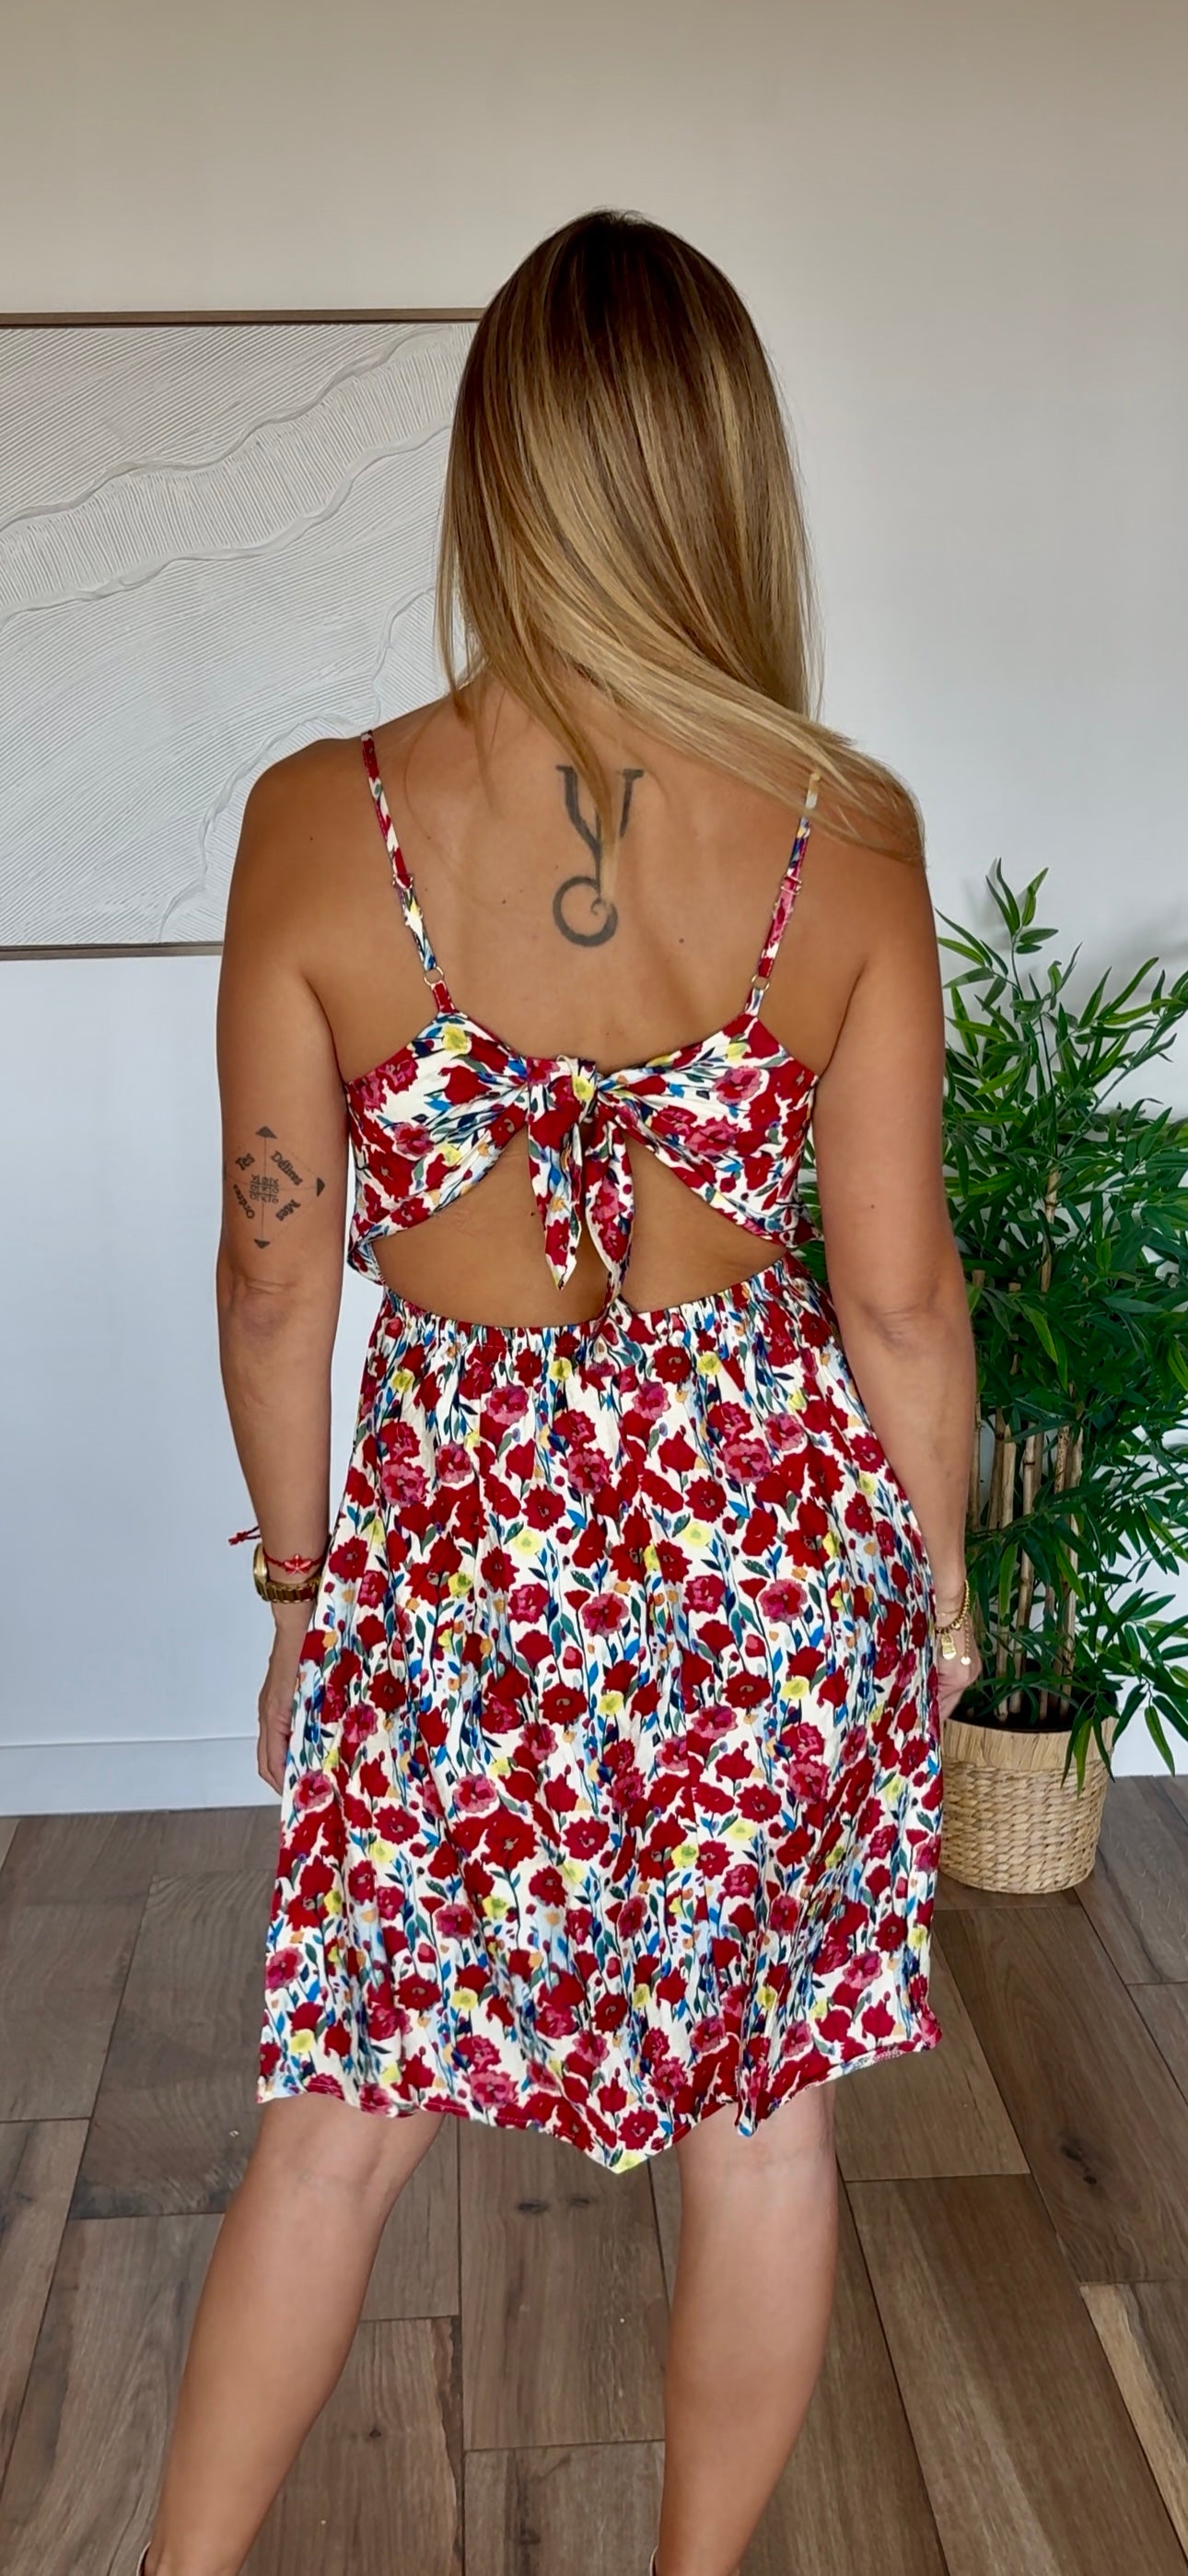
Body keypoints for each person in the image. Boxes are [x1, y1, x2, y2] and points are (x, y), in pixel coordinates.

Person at [138, 208, 979, 2576]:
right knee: (764, 2125)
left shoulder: (322, 822)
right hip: (766, 1557)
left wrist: (301, 1588)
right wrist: (929, 1592)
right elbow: (902, 1303)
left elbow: (273, 1281)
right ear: (729, 478)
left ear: (494, 471)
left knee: (339, 2124)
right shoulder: (848, 840)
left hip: (454, 1554)